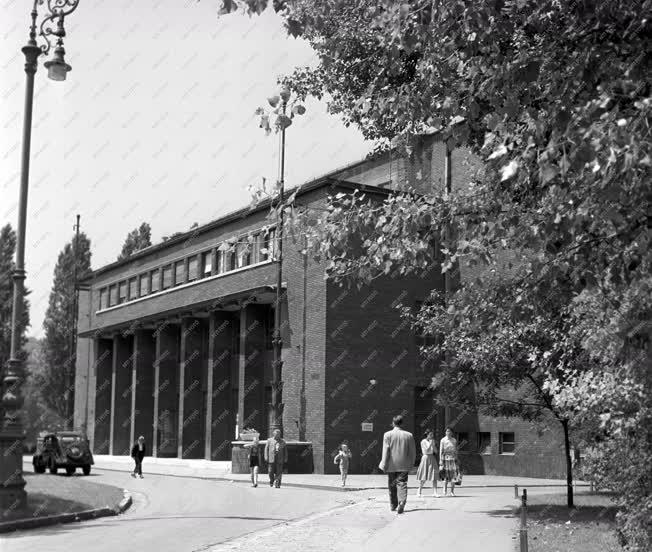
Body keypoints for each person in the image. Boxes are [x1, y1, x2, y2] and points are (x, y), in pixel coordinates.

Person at [378, 415, 416, 514]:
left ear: (393, 423)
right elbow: (413, 452)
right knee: (402, 483)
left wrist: (384, 464)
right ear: (402, 423)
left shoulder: (387, 434)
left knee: (392, 484)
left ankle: (393, 504)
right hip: (404, 464)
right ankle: (402, 502)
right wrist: (411, 464)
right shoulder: (409, 435)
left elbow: (386, 450)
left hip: (391, 464)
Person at [416, 429, 440, 497]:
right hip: (425, 458)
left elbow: (436, 451)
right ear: (427, 435)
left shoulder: (432, 441)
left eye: (432, 435)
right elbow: (426, 450)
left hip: (432, 458)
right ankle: (419, 490)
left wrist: (434, 445)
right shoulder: (423, 441)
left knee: (434, 475)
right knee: (424, 476)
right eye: (430, 435)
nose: (432, 436)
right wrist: (430, 444)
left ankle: (435, 492)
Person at [439, 427, 460, 496]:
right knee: (446, 475)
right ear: (445, 432)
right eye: (447, 431)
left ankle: (452, 491)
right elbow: (441, 451)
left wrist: (457, 458)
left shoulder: (454, 440)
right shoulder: (443, 440)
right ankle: (444, 490)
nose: (448, 432)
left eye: (449, 431)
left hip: (453, 459)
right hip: (445, 459)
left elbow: (456, 450)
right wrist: (440, 460)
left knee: (453, 475)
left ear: (452, 432)